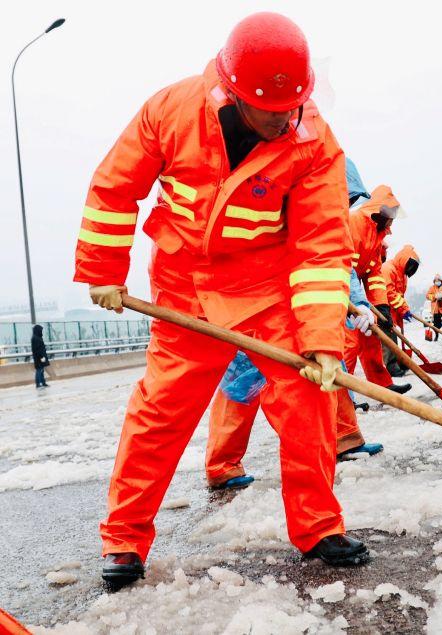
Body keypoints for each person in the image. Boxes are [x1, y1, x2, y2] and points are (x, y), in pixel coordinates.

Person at [75, 13, 368, 585]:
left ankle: (318, 527)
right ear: (232, 93)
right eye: (269, 110)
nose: (283, 119)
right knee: (160, 413)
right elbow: (115, 186)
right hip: (184, 289)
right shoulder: (172, 111)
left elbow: (320, 247)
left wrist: (322, 342)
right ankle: (124, 541)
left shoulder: (314, 142)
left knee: (308, 402)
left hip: (266, 292)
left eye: (292, 107)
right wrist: (103, 271)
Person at [204, 159, 384, 489]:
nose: (342, 205)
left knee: (331, 366)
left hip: (305, 308)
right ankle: (223, 465)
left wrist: (357, 303)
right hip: (257, 304)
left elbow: (337, 264)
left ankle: (347, 440)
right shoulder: (269, 207)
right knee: (243, 381)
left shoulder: (330, 221)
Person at [344, 185, 411, 391]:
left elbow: (374, 274)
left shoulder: (377, 235)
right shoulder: (354, 222)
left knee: (371, 337)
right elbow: (345, 264)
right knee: (349, 342)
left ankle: (382, 384)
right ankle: (343, 393)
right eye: (390, 215)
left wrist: (381, 306)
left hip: (358, 294)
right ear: (379, 211)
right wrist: (356, 300)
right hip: (342, 290)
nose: (392, 221)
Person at [381, 244, 419, 375]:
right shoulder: (388, 269)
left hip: (395, 309)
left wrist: (404, 309)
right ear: (404, 261)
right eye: (410, 266)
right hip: (384, 307)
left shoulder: (402, 274)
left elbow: (400, 295)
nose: (410, 270)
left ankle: (399, 361)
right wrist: (403, 309)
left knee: (396, 336)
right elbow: (389, 292)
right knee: (389, 336)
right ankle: (390, 366)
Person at [426, 274, 442, 340]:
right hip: (435, 309)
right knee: (436, 324)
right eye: (435, 281)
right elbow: (428, 295)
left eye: (438, 280)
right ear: (434, 281)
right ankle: (436, 335)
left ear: (441, 280)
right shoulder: (432, 288)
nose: (437, 282)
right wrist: (434, 296)